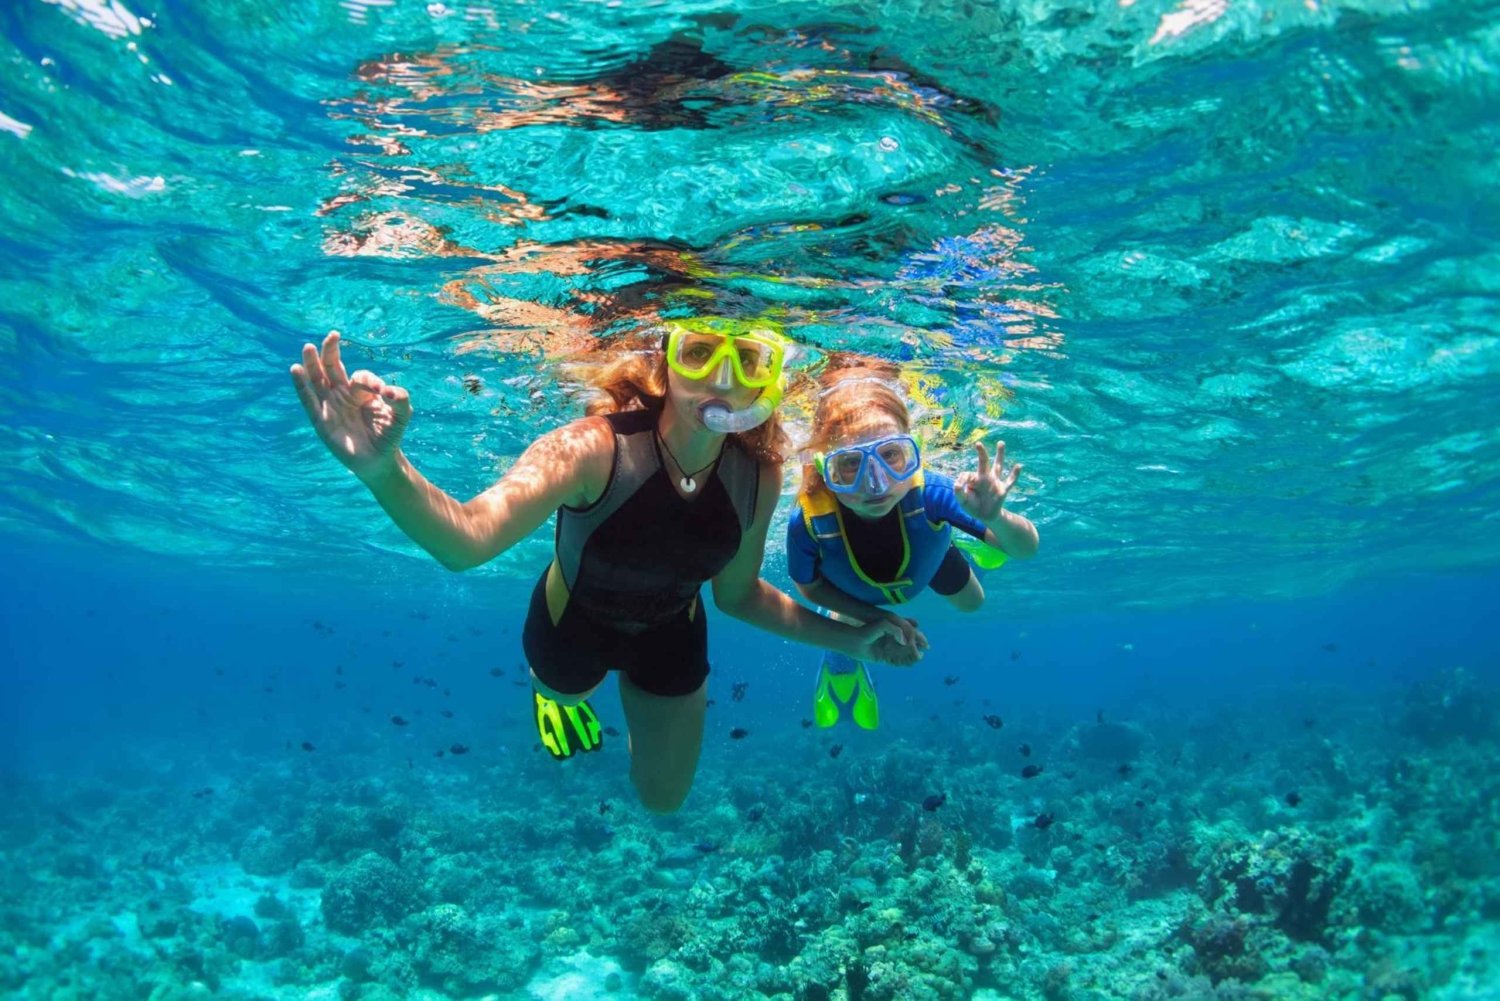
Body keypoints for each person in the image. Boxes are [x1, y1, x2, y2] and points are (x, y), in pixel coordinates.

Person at [290, 323, 917, 813]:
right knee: (567, 691)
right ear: (667, 363)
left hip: (673, 631)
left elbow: (739, 596)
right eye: (700, 354)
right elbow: (467, 542)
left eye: (748, 361)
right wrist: (382, 469)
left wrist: (855, 637)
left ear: (767, 383)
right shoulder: (593, 447)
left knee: (664, 801)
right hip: (572, 624)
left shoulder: (760, 474)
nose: (722, 380)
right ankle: (554, 695)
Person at [787, 360, 1040, 730]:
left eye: (891, 456)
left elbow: (1026, 549)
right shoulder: (809, 521)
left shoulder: (934, 492)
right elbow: (807, 587)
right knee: (853, 622)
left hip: (928, 556)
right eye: (850, 465)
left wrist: (995, 518)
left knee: (974, 603)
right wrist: (878, 619)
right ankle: (840, 660)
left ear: (914, 451)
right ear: (825, 469)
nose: (875, 484)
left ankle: (970, 535)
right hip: (853, 591)